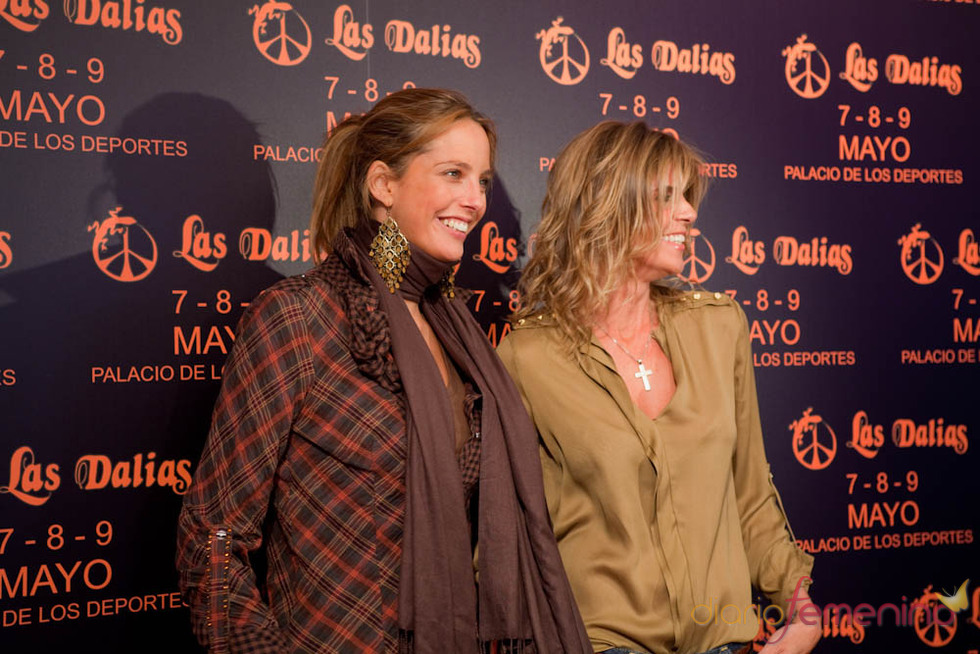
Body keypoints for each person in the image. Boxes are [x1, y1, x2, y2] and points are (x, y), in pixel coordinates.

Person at [176, 88, 590, 654]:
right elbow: (213, 534)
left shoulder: (455, 326)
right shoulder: (299, 316)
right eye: (453, 173)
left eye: (484, 181)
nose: (474, 200)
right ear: (383, 185)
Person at [496, 121, 819, 654]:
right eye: (666, 196)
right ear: (606, 204)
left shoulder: (719, 328)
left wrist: (801, 608)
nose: (689, 213)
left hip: (726, 643)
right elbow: (511, 536)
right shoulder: (527, 358)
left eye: (687, 196)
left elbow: (751, 495)